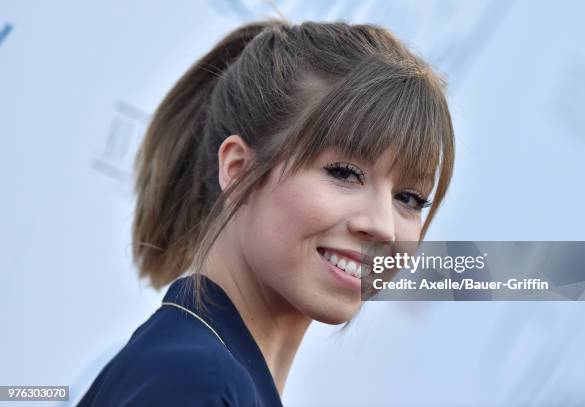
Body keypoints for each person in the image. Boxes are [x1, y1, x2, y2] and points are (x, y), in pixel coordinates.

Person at [77, 18, 454, 406]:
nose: (382, 226)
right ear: (238, 170)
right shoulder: (196, 382)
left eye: (409, 198)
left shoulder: (200, 369)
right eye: (344, 173)